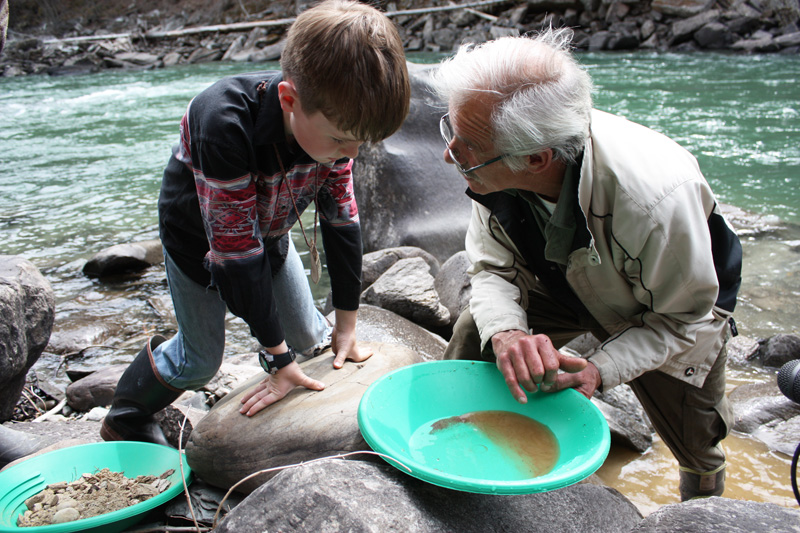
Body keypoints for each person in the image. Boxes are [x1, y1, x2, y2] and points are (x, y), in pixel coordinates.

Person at [433, 28, 742, 501]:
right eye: (449, 131)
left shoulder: (653, 202)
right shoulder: (494, 151)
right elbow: (492, 267)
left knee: (699, 446)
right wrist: (508, 333)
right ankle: (454, 447)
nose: (450, 153)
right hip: (562, 282)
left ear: (536, 158)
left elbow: (684, 321)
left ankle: (700, 512)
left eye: (466, 147)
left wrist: (600, 368)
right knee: (479, 328)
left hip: (671, 312)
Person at [101, 0, 410, 446]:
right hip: (198, 247)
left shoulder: (336, 133)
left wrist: (347, 326)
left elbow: (342, 225)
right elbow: (234, 256)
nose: (353, 155)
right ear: (289, 99)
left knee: (313, 337)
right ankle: (124, 415)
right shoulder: (221, 121)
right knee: (201, 362)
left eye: (363, 142)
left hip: (270, 234)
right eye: (343, 140)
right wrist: (277, 361)